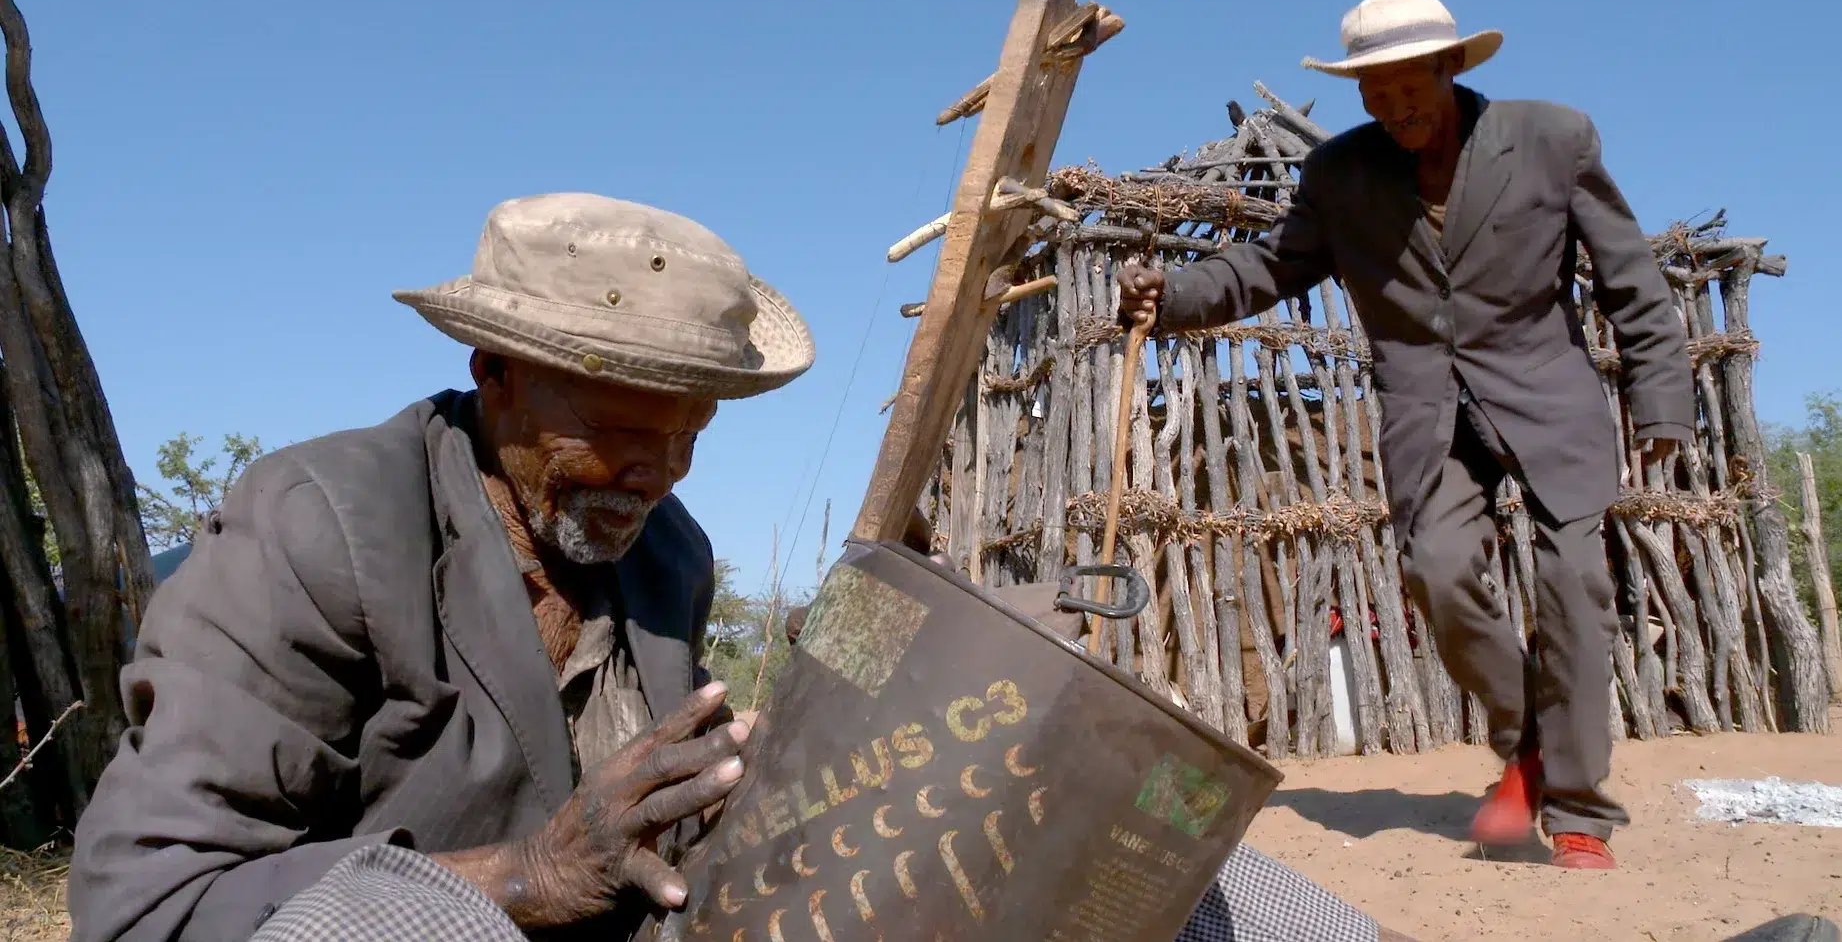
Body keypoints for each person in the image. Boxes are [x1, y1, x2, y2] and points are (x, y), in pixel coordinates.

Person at [65, 192, 1415, 941]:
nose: (658, 475)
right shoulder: (319, 525)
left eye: (689, 433)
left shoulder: (667, 558)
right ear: (492, 377)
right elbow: (141, 906)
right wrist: (523, 879)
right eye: (619, 425)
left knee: (1229, 905)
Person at [1118, 0, 1694, 871]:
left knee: (1575, 587)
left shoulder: (1553, 139)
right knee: (1437, 572)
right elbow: (1272, 265)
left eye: (1408, 89)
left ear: (1450, 67)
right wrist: (1176, 296)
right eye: (1373, 96)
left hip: (1549, 403)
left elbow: (1631, 280)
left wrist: (1661, 400)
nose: (1394, 111)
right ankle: (1528, 745)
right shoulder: (1342, 174)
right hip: (1428, 414)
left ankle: (1580, 808)